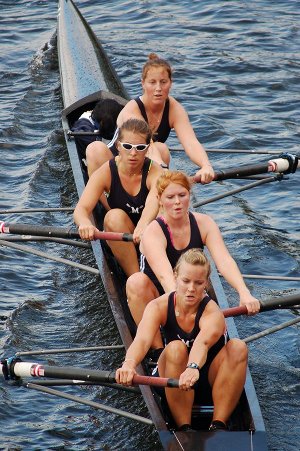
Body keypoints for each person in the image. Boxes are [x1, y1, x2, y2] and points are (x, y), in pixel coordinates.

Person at [116, 248, 248, 431]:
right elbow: (142, 340)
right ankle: (184, 428)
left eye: (198, 283)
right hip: (172, 378)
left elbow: (203, 342)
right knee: (176, 348)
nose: (191, 289)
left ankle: (218, 424)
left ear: (206, 284)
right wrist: (129, 364)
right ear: (175, 276)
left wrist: (192, 367)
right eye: (186, 281)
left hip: (206, 377)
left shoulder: (212, 312)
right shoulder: (158, 306)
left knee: (238, 347)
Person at [126, 170, 260, 349]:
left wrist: (243, 292)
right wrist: (186, 311)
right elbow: (166, 277)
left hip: (190, 287)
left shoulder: (204, 223)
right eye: (170, 197)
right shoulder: (153, 232)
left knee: (201, 282)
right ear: (159, 199)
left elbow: (224, 261)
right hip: (159, 292)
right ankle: (157, 351)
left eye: (182, 195)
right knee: (135, 282)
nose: (177, 202)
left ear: (190, 195)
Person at [86, 53, 214, 183]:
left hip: (141, 165)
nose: (158, 88)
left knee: (162, 149)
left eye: (163, 82)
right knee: (95, 149)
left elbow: (191, 142)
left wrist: (206, 166)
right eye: (152, 82)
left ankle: (157, 195)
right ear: (143, 84)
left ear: (170, 83)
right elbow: (148, 146)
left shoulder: (175, 109)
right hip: (115, 162)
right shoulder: (133, 109)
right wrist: (164, 170)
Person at [73, 118, 163, 277]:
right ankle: (136, 278)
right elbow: (81, 209)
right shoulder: (107, 171)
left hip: (150, 230)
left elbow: (153, 201)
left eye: (140, 147)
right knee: (113, 217)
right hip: (121, 230)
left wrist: (143, 225)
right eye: (128, 146)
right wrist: (85, 224)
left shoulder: (155, 171)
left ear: (147, 149)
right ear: (118, 146)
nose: (133, 153)